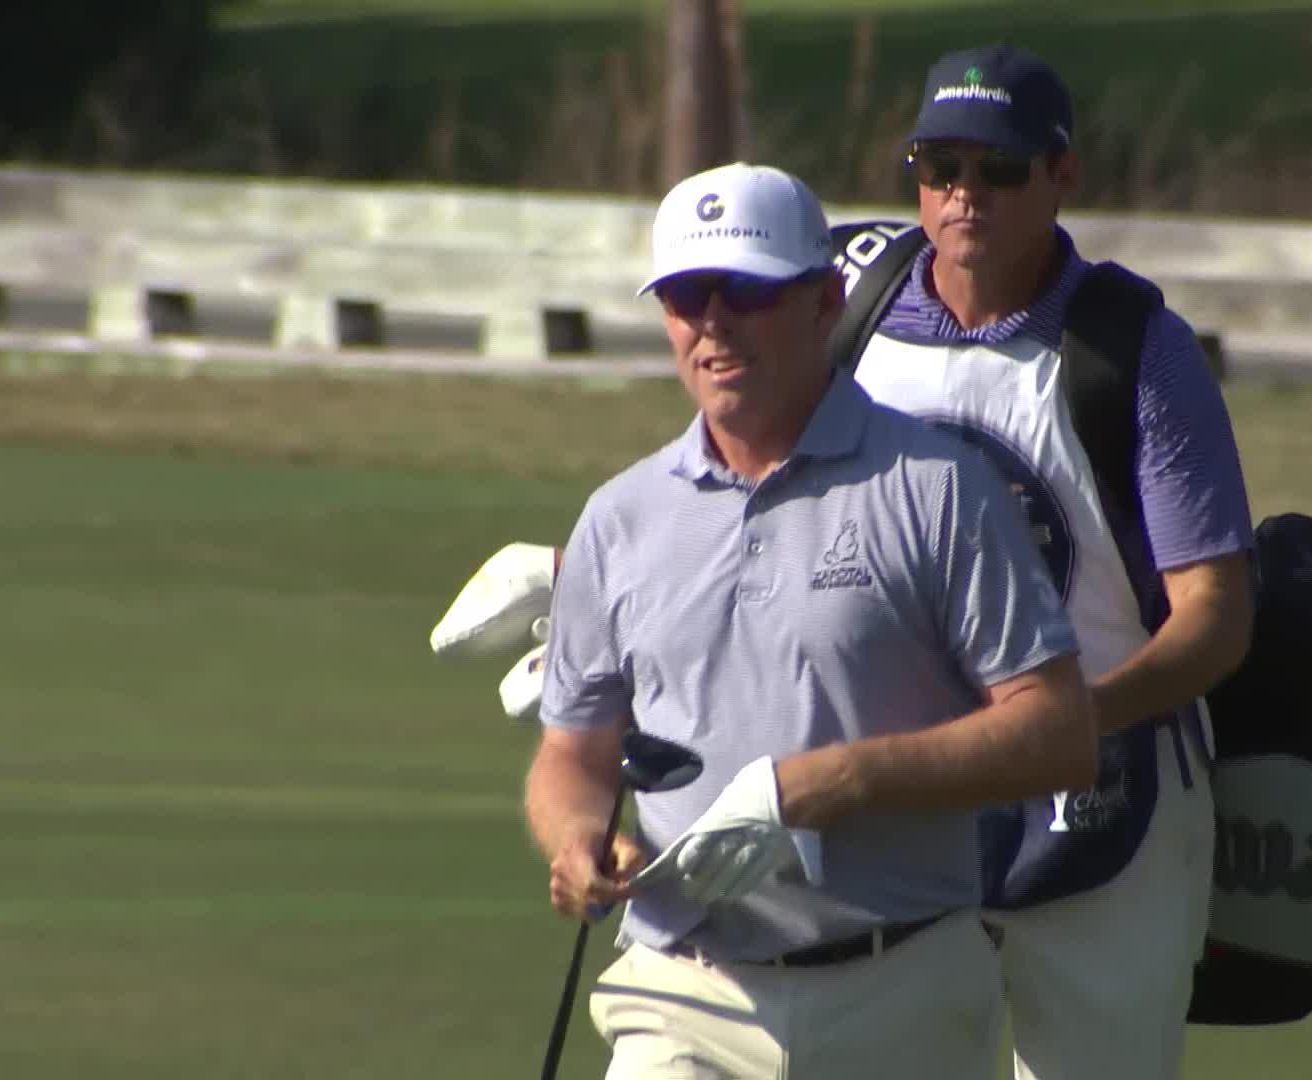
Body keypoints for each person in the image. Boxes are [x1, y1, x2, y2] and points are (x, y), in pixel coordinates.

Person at [523, 161, 1099, 1079]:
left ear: (825, 302)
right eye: (684, 297)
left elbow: (1058, 734)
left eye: (745, 292)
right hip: (686, 988)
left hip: (901, 985)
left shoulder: (937, 488)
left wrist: (836, 781)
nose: (711, 323)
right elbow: (573, 754)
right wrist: (577, 839)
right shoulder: (619, 517)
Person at [846, 44, 1258, 1080]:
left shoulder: (1133, 346)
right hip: (899, 805)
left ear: (1063, 176)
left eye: (1000, 169)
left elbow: (1215, 613)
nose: (963, 195)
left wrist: (1067, 722)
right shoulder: (846, 316)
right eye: (940, 168)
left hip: (1109, 803)